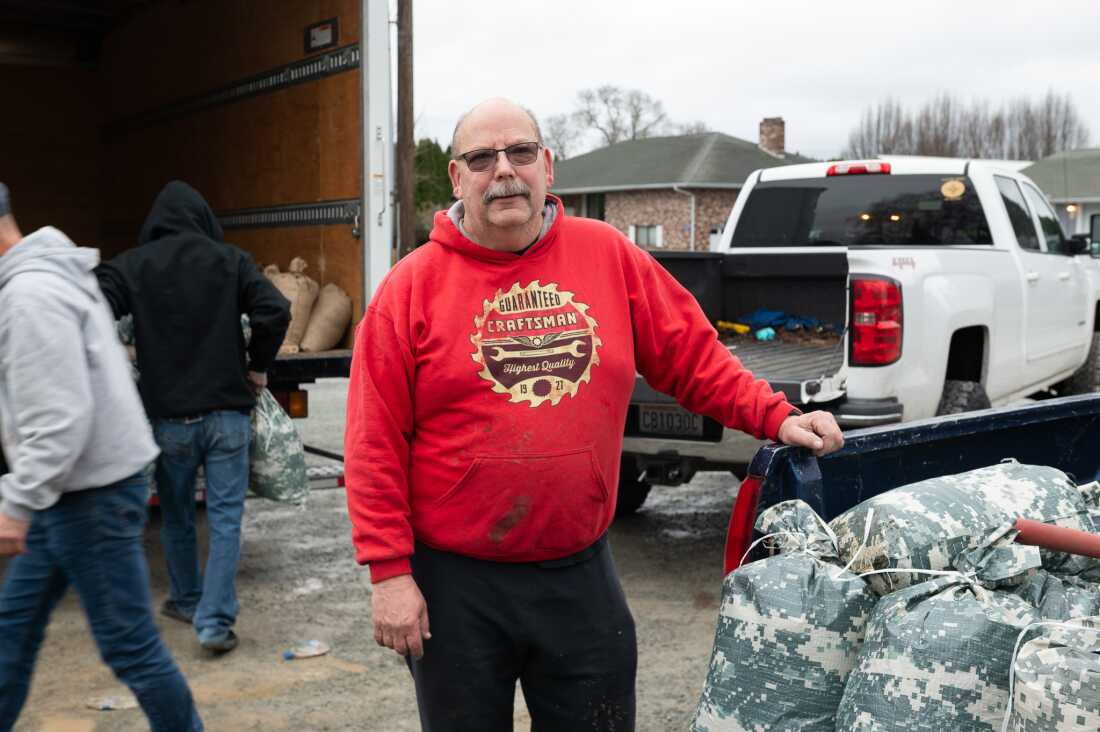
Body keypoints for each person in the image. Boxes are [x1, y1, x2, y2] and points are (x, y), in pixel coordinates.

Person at [343, 98, 845, 731]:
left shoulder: (608, 255)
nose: (504, 171)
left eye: (520, 153)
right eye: (482, 158)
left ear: (546, 166)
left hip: (578, 573)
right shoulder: (409, 288)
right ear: (456, 177)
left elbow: (691, 356)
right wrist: (390, 574)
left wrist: (775, 416)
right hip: (456, 584)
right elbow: (373, 442)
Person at [0, 182, 203, 731]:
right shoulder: (50, 274)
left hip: (89, 497)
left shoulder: (29, 297)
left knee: (130, 647)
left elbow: (59, 420)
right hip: (70, 492)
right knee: (10, 632)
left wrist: (14, 505)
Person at [96, 181, 290, 654]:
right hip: (228, 416)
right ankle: (215, 622)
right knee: (225, 518)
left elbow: (89, 298)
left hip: (168, 422)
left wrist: (115, 352)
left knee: (179, 515)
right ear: (203, 218)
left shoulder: (134, 266)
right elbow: (275, 309)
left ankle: (185, 599)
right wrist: (257, 365)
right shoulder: (230, 261)